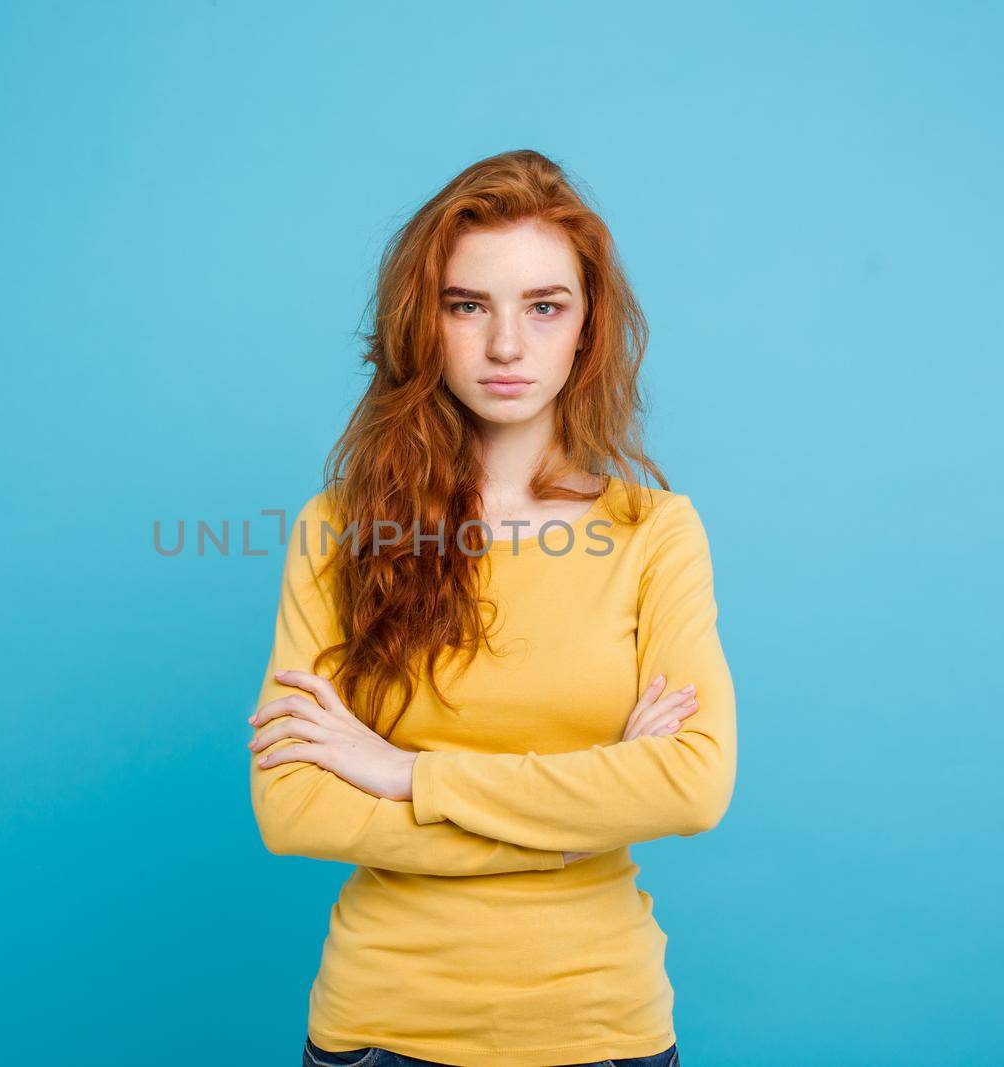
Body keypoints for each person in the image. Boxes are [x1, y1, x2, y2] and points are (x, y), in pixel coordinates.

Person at [246, 149, 736, 1067]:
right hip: (382, 1025)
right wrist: (570, 825)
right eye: (468, 305)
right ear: (422, 323)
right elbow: (293, 806)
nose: (507, 345)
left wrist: (405, 774)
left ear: (587, 329)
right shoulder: (338, 528)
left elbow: (693, 782)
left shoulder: (653, 532)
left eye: (544, 306)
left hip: (600, 1026)